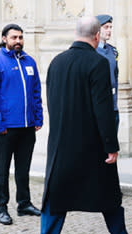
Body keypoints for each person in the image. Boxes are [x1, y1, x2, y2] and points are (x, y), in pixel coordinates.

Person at [40, 16, 127, 234]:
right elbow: (103, 109)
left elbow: (51, 102)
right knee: (109, 199)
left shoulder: (56, 62)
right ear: (97, 36)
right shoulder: (98, 63)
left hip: (61, 145)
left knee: (56, 200)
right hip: (92, 146)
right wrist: (111, 145)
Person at [0, 23, 43, 225]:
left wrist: (38, 117)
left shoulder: (30, 62)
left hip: (27, 126)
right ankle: (1, 208)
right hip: (6, 128)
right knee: (2, 169)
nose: (18, 41)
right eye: (14, 37)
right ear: (4, 39)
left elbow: (36, 93)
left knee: (23, 168)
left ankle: (24, 203)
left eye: (20, 37)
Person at [95, 14, 119, 130]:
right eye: (106, 27)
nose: (109, 30)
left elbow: (115, 76)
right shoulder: (93, 51)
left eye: (110, 27)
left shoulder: (112, 51)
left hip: (113, 105)